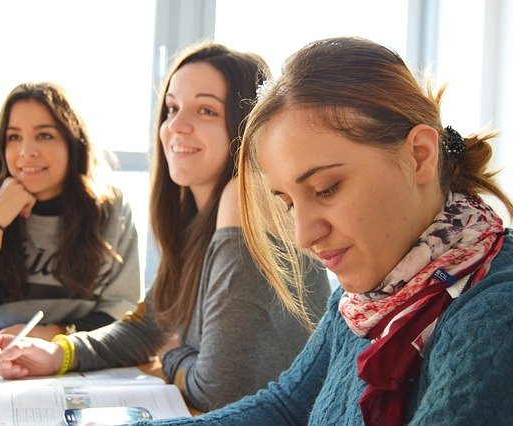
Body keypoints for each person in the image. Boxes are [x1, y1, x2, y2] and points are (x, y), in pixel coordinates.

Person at [145, 36, 513, 425]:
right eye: (288, 202)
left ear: (419, 155)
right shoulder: (367, 298)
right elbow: (286, 405)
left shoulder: (493, 314)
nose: (304, 235)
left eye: (326, 189)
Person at [0, 42, 331, 412]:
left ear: (245, 126)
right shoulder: (195, 220)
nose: (176, 126)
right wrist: (58, 354)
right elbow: (149, 327)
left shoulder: (245, 196)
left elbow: (218, 390)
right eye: (172, 108)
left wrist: (173, 356)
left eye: (206, 110)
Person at [0, 82, 141, 341]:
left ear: (73, 143)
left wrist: (53, 334)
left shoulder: (112, 209)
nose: (27, 152)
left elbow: (122, 313)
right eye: (13, 137)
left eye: (44, 135)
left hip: (82, 360)